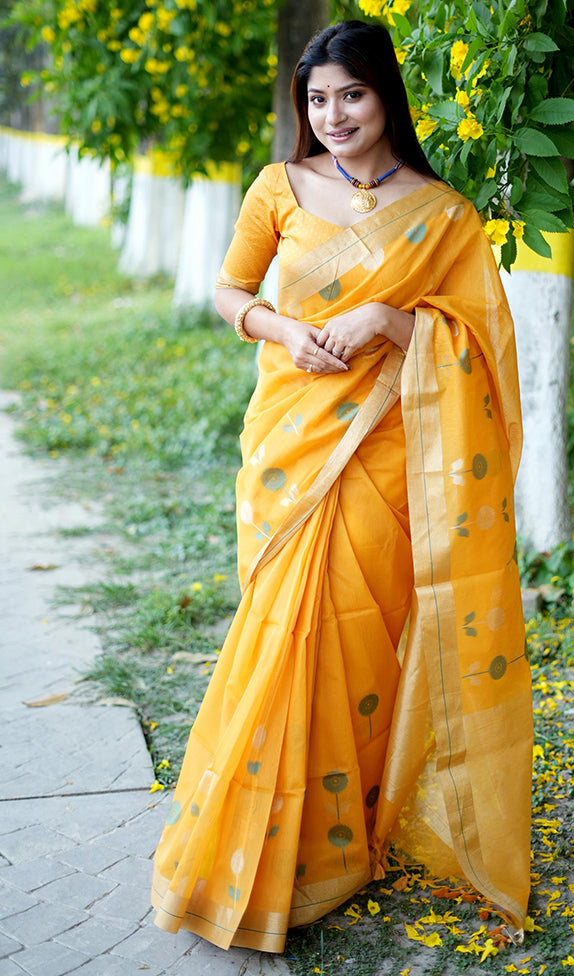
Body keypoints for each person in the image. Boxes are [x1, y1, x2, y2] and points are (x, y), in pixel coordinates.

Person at [151, 20, 533, 954]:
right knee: (283, 630)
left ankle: (338, 837)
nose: (333, 117)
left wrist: (386, 319)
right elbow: (230, 292)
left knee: (361, 638)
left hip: (390, 447)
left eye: (351, 96)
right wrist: (283, 332)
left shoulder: (442, 215)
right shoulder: (279, 189)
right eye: (317, 100)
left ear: (386, 97)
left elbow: (478, 349)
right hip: (290, 436)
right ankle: (254, 841)